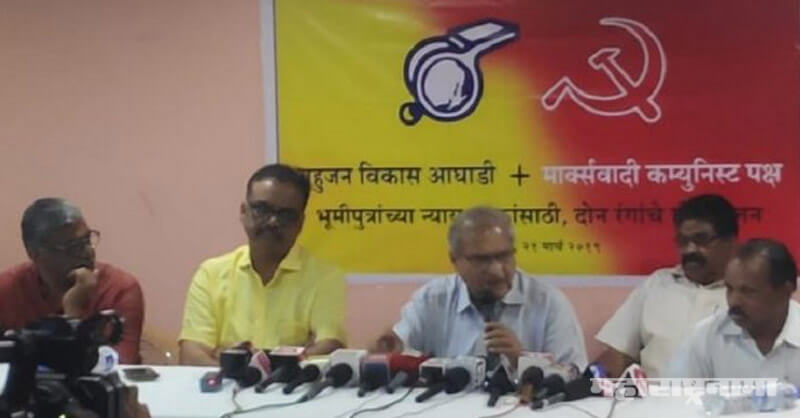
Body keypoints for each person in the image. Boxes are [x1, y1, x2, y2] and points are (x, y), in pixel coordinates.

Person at [373, 206, 587, 371]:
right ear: (455, 260)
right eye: (482, 260)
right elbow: (398, 350)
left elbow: (576, 376)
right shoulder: (432, 299)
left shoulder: (548, 303)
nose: (497, 270)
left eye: (504, 256)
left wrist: (523, 361)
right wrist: (389, 351)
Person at [178, 163, 346, 365]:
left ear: (300, 223)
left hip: (287, 385)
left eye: (286, 215)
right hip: (226, 385)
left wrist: (239, 364)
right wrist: (290, 358)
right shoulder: (211, 273)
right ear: (243, 212)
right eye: (262, 209)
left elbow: (328, 347)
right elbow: (191, 354)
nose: (273, 221)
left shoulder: (323, 277)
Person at [595, 194, 737, 377]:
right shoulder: (658, 284)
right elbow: (618, 354)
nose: (690, 250)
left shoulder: (748, 294)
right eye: (683, 241)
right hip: (654, 394)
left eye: (701, 240)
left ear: (730, 242)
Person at [0, 198, 145, 364]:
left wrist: (73, 313)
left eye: (87, 240)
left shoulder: (119, 289)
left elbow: (120, 366)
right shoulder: (7, 289)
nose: (87, 252)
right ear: (35, 254)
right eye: (72, 246)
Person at [668, 239, 800, 384]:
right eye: (730, 289)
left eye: (748, 291)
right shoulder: (706, 336)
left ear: (785, 291)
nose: (734, 301)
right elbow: (677, 393)